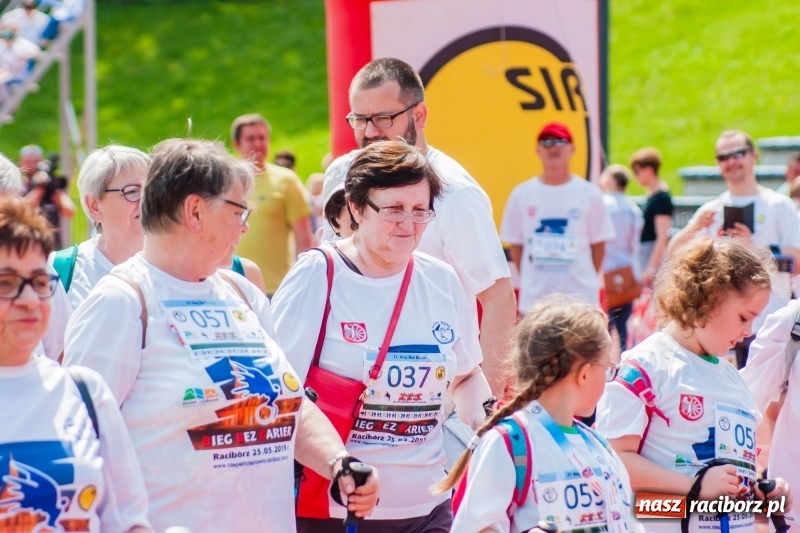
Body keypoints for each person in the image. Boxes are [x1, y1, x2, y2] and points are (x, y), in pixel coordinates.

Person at [63, 139, 378, 532]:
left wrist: (338, 462)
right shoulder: (122, 303)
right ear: (195, 211)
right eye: (238, 210)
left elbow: (287, 402)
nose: (245, 225)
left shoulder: (240, 291)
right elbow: (76, 447)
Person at [273, 140, 491, 532]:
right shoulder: (318, 274)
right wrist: (339, 462)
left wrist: (490, 422)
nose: (409, 225)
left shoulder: (441, 279)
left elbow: (465, 374)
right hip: (339, 510)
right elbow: (281, 393)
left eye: (420, 211)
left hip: (430, 507)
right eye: (393, 210)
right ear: (356, 208)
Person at [322, 57, 515, 397]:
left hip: (430, 400)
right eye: (359, 119)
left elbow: (497, 296)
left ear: (419, 115)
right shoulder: (342, 173)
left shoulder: (455, 193)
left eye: (382, 118)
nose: (369, 132)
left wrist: (487, 404)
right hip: (345, 392)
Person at [596, 238, 791, 533]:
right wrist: (694, 487)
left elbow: (727, 483)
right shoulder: (646, 366)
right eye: (744, 317)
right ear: (709, 298)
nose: (748, 332)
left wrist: (763, 494)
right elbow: (613, 463)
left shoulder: (733, 379)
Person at [0, 196, 153, 532]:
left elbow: (127, 520)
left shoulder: (84, 391)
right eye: (7, 284)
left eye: (40, 283)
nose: (29, 301)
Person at [439, 296, 641, 533]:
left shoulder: (598, 446)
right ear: (584, 374)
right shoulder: (511, 443)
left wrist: (691, 504)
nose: (610, 378)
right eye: (608, 367)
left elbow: (630, 516)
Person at [668, 130, 800, 365]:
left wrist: (753, 247)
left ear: (754, 156)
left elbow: (797, 261)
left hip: (770, 326)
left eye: (738, 153)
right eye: (723, 157)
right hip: (719, 330)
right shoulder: (712, 209)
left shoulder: (779, 206)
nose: (731, 161)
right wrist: (695, 228)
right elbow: (673, 255)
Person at [501, 122, 615, 312]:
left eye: (560, 141)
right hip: (535, 304)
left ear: (572, 148)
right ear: (538, 150)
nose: (553, 147)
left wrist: (581, 279)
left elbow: (599, 247)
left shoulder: (590, 194)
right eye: (546, 142)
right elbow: (516, 247)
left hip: (580, 303)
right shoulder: (522, 194)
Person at [231, 113, 315, 296]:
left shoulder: (286, 180)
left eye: (262, 138)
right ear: (236, 144)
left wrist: (304, 282)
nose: (258, 144)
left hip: (275, 289)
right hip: (231, 284)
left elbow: (304, 239)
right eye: (250, 139)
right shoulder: (225, 181)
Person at [599, 164, 643, 350]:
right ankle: (624, 360)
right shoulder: (633, 208)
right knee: (623, 323)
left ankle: (605, 363)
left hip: (605, 269)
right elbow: (634, 244)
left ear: (610, 180)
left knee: (604, 322)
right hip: (628, 272)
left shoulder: (602, 204)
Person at [18, 145, 75, 250]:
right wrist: (40, 189)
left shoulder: (53, 186)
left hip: (53, 247)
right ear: (21, 163)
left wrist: (55, 192)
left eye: (36, 161)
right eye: (28, 162)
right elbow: (22, 209)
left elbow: (69, 211)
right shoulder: (19, 187)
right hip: (27, 245)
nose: (32, 165)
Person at [630, 147, 672, 287]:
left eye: (637, 171)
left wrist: (651, 267)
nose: (636, 177)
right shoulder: (653, 195)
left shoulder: (661, 198)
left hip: (652, 254)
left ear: (648, 170)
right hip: (646, 252)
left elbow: (662, 235)